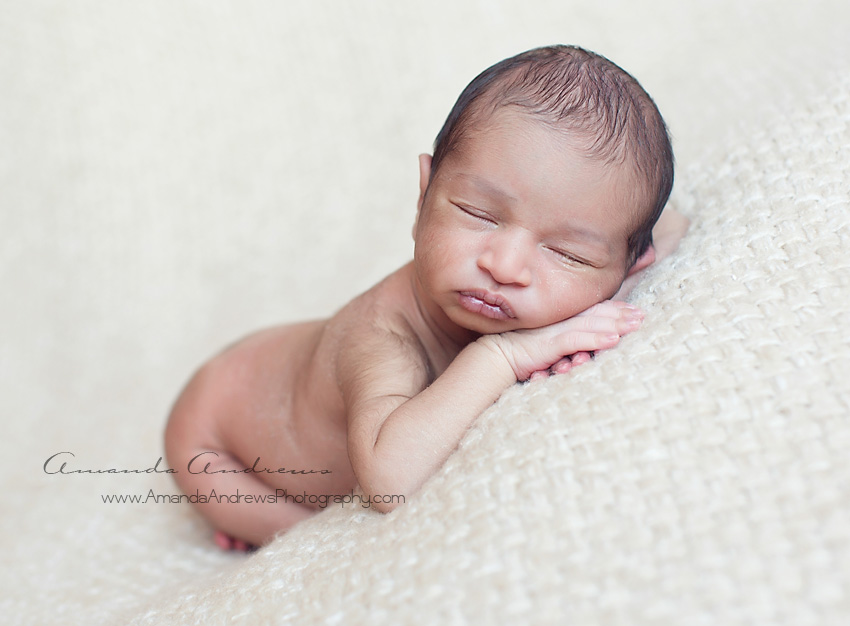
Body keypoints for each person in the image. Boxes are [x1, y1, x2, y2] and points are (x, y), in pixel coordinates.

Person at [164, 45, 689, 550]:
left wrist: (630, 257)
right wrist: (502, 355)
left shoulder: (610, 255)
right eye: (478, 214)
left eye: (567, 253)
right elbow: (389, 477)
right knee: (296, 526)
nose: (503, 266)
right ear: (423, 197)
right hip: (213, 432)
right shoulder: (383, 339)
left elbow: (663, 229)